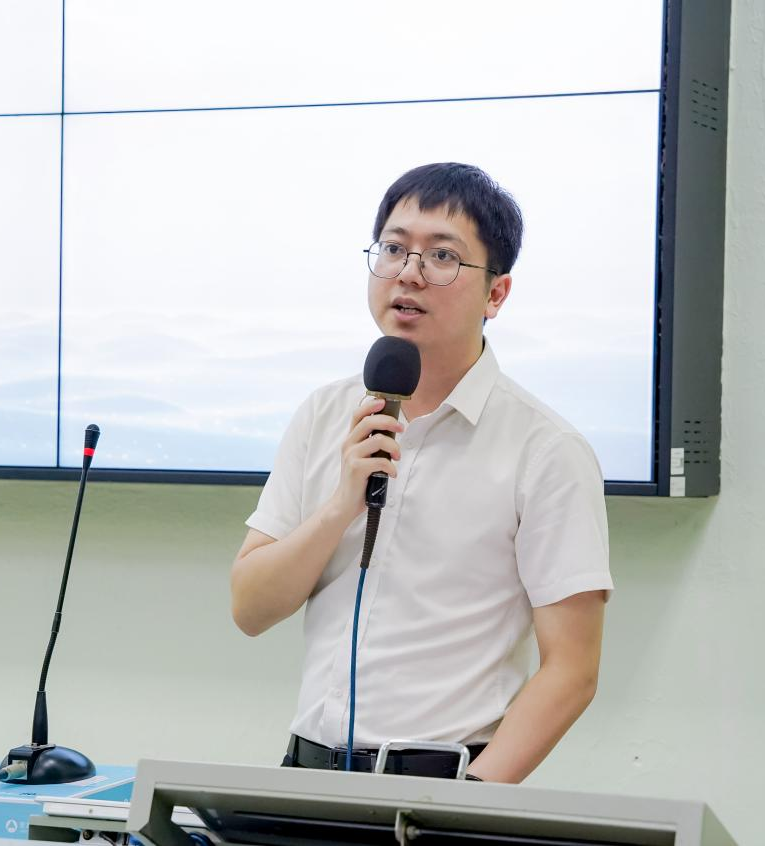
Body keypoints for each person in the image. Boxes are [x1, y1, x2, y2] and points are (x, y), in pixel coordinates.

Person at [230, 162, 611, 783]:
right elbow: (251, 609)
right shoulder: (325, 413)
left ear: (496, 294)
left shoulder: (545, 449)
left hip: (440, 788)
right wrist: (341, 505)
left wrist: (464, 805)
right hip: (305, 774)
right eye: (393, 248)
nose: (408, 272)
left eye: (442, 256)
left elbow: (573, 671)